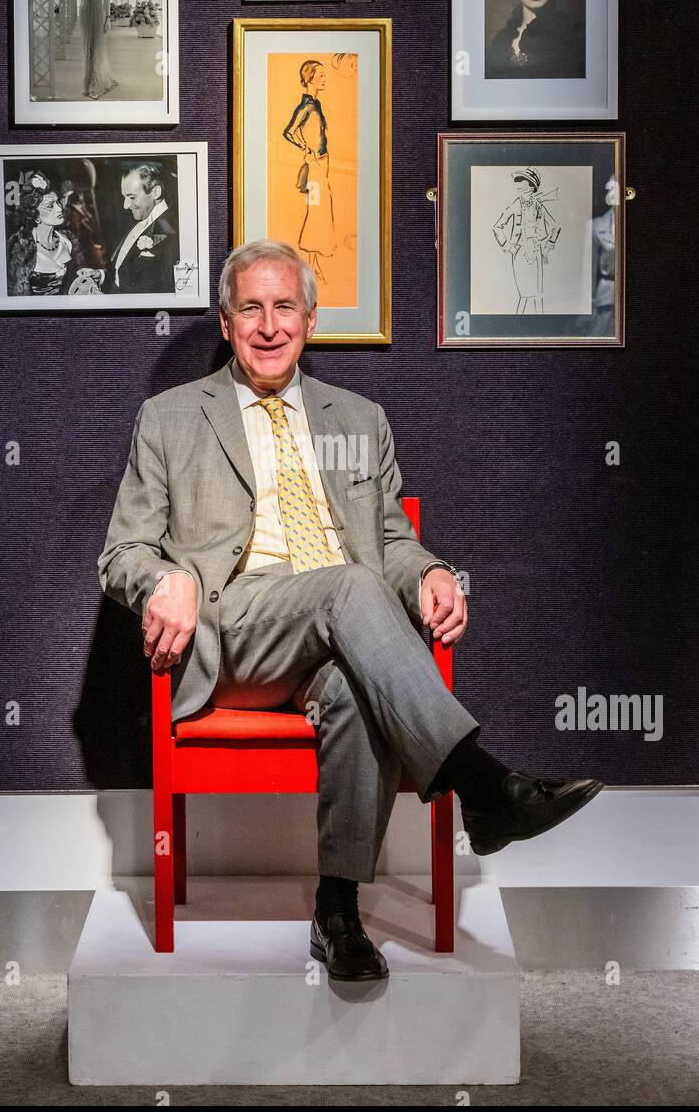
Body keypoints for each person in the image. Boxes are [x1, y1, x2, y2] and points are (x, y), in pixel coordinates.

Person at [97, 239, 604, 982]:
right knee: (350, 586)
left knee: (356, 684)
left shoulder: (358, 419)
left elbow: (391, 538)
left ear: (309, 318)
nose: (269, 326)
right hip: (234, 633)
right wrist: (163, 580)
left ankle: (337, 910)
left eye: (284, 308)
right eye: (250, 309)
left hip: (341, 631)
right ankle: (485, 784)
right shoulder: (170, 419)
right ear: (226, 320)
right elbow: (122, 553)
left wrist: (429, 571)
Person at [282, 60, 337, 282]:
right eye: (321, 75)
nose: (325, 78)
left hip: (322, 165)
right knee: (316, 210)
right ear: (310, 77)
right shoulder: (306, 106)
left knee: (322, 210)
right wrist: (305, 147)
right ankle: (311, 266)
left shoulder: (316, 104)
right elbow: (289, 132)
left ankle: (314, 263)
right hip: (314, 167)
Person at [6, 170, 95, 296]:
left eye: (58, 202)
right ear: (34, 214)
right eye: (50, 206)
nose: (59, 208)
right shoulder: (19, 248)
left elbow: (80, 274)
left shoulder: (68, 239)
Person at [52, 0, 118, 99]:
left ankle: (97, 82)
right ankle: (89, 83)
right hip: (86, 16)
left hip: (100, 16)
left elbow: (107, 0)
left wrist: (108, 18)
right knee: (88, 48)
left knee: (97, 48)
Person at [492, 167, 561, 314]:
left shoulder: (538, 205)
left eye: (521, 180)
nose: (517, 183)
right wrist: (509, 246)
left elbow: (555, 226)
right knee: (523, 294)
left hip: (537, 253)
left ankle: (541, 324)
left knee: (537, 294)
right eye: (517, 180)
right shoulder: (515, 204)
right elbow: (497, 227)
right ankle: (517, 323)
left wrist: (548, 246)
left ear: (530, 185)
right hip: (519, 253)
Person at [108, 162, 180, 294]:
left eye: (132, 197)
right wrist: (101, 275)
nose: (125, 205)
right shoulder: (137, 217)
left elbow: (163, 289)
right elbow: (125, 267)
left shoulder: (171, 231)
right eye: (124, 197)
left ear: (156, 192)